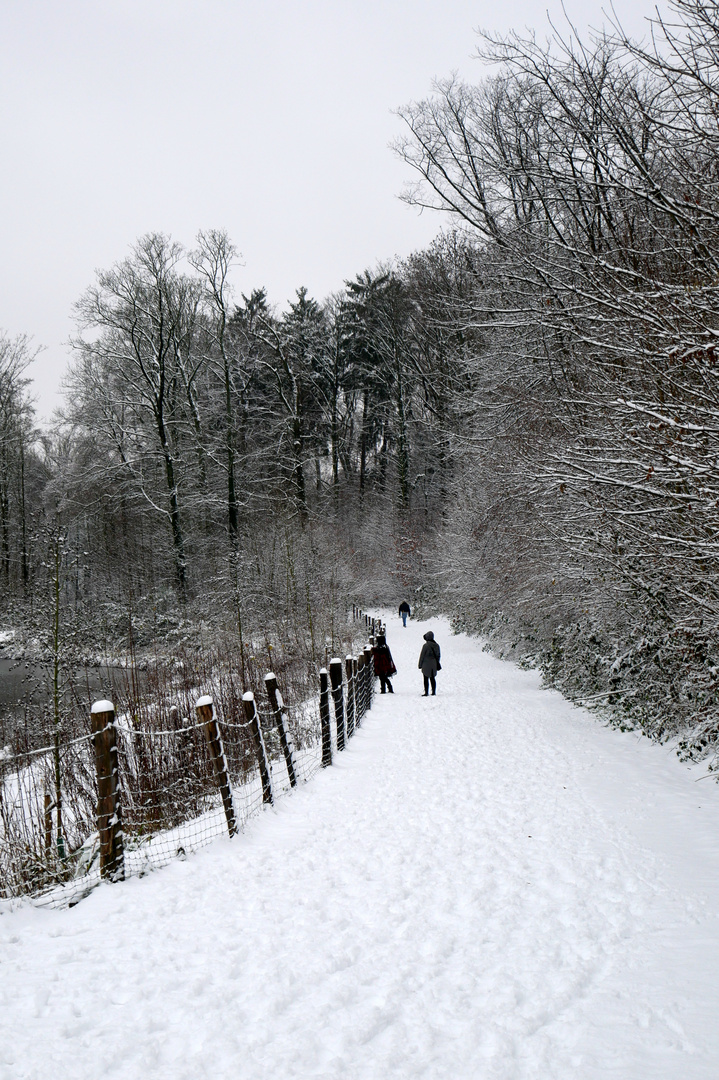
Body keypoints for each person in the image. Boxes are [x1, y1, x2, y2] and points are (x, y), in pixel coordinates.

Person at [418, 630, 441, 696]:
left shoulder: (425, 646)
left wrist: (420, 664)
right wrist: (437, 663)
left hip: (426, 664)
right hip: (433, 664)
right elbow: (438, 655)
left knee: (425, 678)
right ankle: (433, 692)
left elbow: (422, 655)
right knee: (432, 678)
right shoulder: (436, 645)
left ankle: (426, 692)